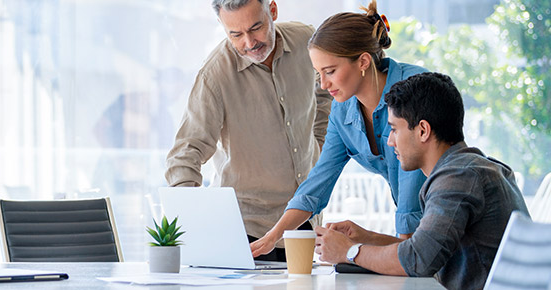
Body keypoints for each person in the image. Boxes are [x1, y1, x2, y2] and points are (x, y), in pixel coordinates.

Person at [314, 72, 530, 290]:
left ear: (423, 130)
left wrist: (350, 252)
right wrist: (365, 238)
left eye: (395, 129)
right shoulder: (471, 168)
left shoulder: (458, 178)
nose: (389, 141)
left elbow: (418, 259)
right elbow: (424, 250)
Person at [250, 0, 428, 258]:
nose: (323, 85)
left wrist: (388, 254)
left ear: (363, 61)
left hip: (451, 220)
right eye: (318, 73)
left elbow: (412, 189)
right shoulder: (343, 111)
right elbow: (317, 184)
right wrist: (273, 237)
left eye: (330, 71)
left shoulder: (413, 89)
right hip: (420, 236)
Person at [165, 0, 332, 262]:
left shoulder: (305, 41)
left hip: (305, 222)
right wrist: (194, 223)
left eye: (256, 27)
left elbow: (326, 90)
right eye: (235, 34)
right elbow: (186, 152)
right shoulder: (215, 76)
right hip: (247, 231)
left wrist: (319, 140)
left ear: (272, 11)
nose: (249, 42)